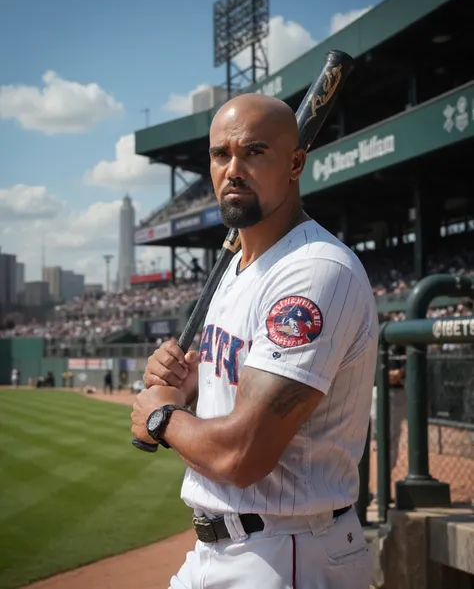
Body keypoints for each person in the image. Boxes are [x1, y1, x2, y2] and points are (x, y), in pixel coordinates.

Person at [131, 93, 379, 588]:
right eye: (222, 154)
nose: (234, 168)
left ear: (295, 163)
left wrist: (160, 416)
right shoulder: (238, 266)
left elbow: (243, 455)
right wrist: (185, 384)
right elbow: (232, 372)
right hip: (219, 549)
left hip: (287, 553)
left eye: (254, 151)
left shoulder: (313, 272)